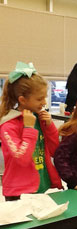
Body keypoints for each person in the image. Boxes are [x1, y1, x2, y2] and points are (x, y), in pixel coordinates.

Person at [0, 62, 62, 201]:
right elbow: (21, 159)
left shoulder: (38, 118)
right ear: (22, 100)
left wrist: (49, 126)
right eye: (40, 98)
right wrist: (28, 129)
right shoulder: (8, 125)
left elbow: (55, 151)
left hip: (41, 185)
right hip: (19, 192)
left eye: (45, 97)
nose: (44, 102)